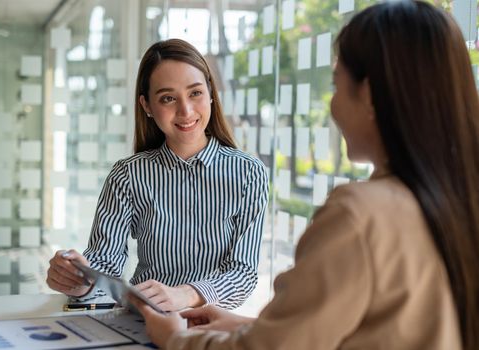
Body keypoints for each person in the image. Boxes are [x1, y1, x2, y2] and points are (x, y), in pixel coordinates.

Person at [132, 1, 479, 349]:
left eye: (336, 83)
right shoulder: (457, 200)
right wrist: (248, 325)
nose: (332, 104)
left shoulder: (360, 215)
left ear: (369, 94)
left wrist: (176, 338)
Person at [46, 38, 269, 311]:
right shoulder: (127, 176)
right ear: (147, 106)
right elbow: (106, 263)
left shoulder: (248, 173)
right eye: (168, 98)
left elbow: (242, 274)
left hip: (212, 329)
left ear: (211, 92)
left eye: (195, 93)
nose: (185, 111)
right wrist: (79, 279)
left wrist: (186, 294)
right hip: (143, 324)